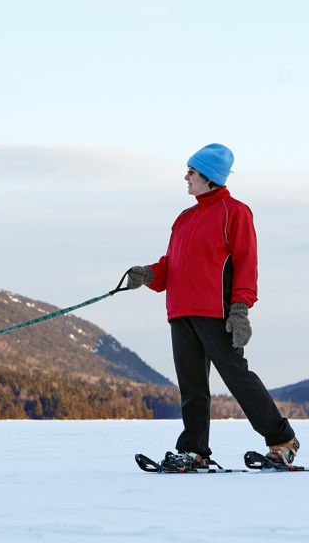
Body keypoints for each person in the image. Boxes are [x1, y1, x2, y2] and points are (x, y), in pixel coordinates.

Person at [124, 143, 298, 470]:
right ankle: (194, 451)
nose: (185, 177)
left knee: (237, 378)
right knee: (192, 387)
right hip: (180, 311)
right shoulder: (185, 219)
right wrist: (148, 274)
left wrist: (240, 309)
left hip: (216, 312)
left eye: (191, 172)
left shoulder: (236, 212)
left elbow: (246, 264)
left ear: (209, 178)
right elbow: (172, 265)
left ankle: (283, 439)